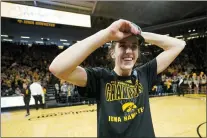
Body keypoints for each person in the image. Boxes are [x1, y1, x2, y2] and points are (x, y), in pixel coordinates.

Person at [49, 19, 186, 137]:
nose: (128, 51)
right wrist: (106, 34)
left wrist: (139, 34)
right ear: (112, 53)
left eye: (134, 46)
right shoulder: (100, 78)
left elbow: (179, 45)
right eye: (122, 46)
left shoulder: (144, 74)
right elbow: (57, 68)